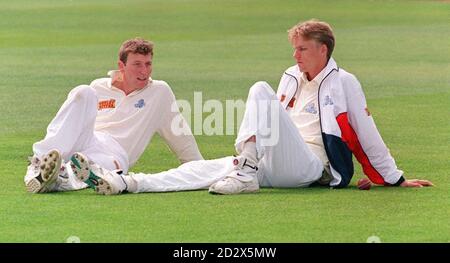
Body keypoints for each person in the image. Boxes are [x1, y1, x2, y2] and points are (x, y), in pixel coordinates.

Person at [67, 20, 433, 195]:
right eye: (294, 49)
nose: (295, 56)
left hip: (311, 166)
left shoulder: (344, 82)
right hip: (272, 162)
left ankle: (245, 171)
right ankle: (124, 182)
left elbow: (367, 134)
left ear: (323, 50)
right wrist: (251, 154)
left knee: (259, 90)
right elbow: (274, 121)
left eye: (302, 49)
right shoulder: (291, 76)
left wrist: (394, 177)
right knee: (199, 171)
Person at [25, 37, 203, 193]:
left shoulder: (160, 92)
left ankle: (59, 179)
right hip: (90, 139)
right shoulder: (99, 86)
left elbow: (181, 136)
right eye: (137, 64)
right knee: (83, 91)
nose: (144, 71)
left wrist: (201, 169)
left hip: (116, 154)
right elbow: (80, 119)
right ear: (121, 66)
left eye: (148, 64)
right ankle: (40, 164)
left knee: (91, 168)